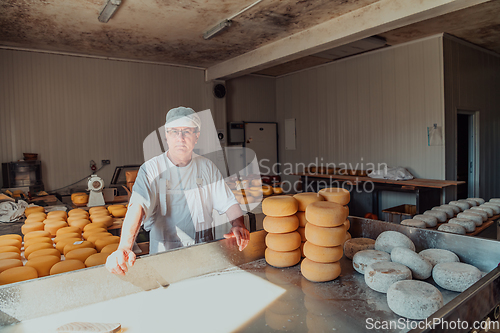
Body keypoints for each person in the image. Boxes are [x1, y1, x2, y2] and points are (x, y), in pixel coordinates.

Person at [106, 107, 250, 275]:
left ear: (197, 136)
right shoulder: (152, 169)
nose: (180, 138)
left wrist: (238, 224)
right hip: (164, 257)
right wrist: (124, 246)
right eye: (174, 131)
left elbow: (228, 202)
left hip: (203, 254)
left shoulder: (207, 167)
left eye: (187, 131)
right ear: (166, 135)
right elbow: (137, 205)